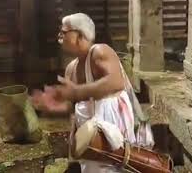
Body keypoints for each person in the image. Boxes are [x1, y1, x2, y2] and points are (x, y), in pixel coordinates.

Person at [31, 13, 153, 173]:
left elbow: (116, 82)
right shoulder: (71, 69)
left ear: (80, 35)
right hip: (90, 135)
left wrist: (77, 92)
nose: (59, 36)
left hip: (112, 128)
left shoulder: (100, 52)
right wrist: (53, 107)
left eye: (64, 32)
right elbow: (73, 104)